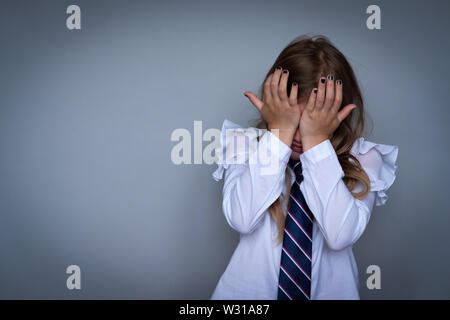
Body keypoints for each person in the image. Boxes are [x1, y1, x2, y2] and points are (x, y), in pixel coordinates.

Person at [210, 35, 399, 300]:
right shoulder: (246, 145)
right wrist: (278, 137)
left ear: (339, 113)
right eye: (292, 122)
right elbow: (242, 218)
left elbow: (339, 235)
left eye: (310, 124)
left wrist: (317, 145)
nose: (299, 136)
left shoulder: (365, 159)